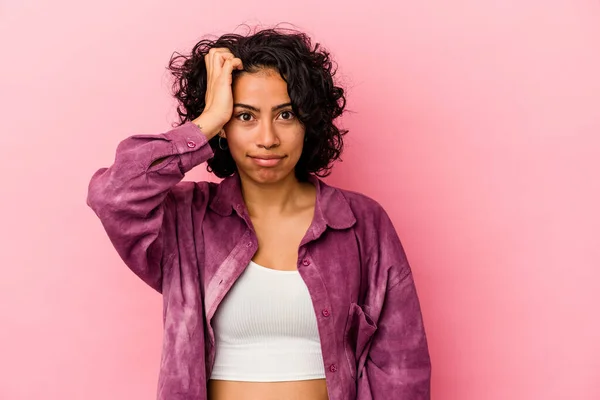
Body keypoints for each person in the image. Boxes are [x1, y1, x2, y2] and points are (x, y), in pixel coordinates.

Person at [87, 27, 431, 400]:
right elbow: (113, 195)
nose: (267, 138)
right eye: (244, 117)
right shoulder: (185, 221)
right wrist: (206, 121)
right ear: (222, 128)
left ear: (309, 122)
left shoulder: (361, 222)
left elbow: (401, 368)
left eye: (285, 114)